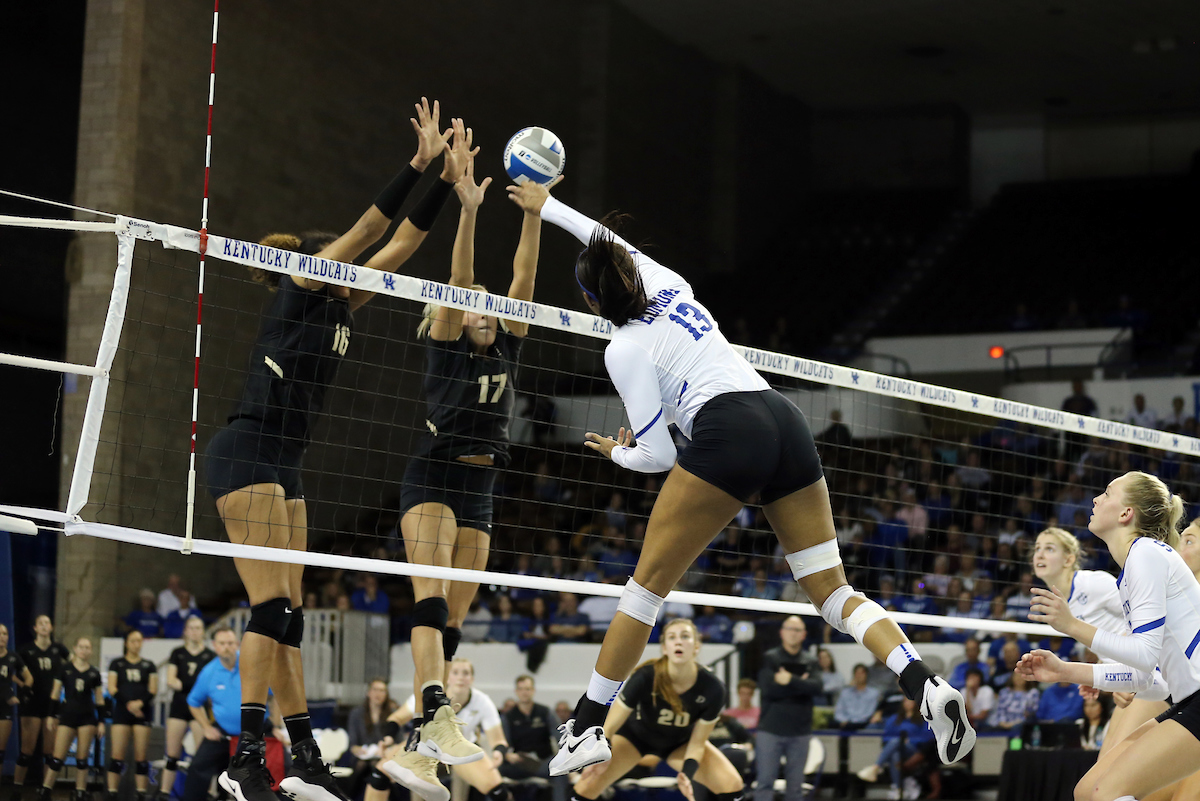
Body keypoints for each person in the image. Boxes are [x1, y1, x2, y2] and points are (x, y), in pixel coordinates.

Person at [506, 181, 974, 776]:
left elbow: (655, 456)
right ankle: (925, 683)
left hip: (727, 429)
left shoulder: (622, 349)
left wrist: (617, 455)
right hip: (783, 418)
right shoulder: (671, 284)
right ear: (630, 272)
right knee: (832, 591)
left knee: (644, 590)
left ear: (592, 303)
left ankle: (588, 724)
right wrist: (545, 206)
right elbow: (607, 241)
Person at [202, 99, 464, 801]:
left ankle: (307, 756)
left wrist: (448, 179)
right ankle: (245, 758)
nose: (360, 269)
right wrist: (416, 162)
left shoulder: (345, 305)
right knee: (268, 611)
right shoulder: (304, 284)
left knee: (286, 614)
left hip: (285, 464)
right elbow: (374, 226)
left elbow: (401, 246)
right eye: (346, 261)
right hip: (247, 448)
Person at [398, 139, 545, 775]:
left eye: (491, 306)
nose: (486, 307)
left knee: (454, 618)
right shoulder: (448, 338)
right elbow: (462, 281)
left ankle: (422, 746)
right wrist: (470, 210)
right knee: (430, 601)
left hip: (484, 486)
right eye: (474, 304)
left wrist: (534, 214)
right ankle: (433, 719)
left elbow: (523, 282)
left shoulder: (508, 346)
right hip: (435, 472)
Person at [1018, 471, 1200, 801]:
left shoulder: (1146, 553)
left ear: (1125, 513)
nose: (1095, 499)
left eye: (1107, 492)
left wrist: (1072, 626)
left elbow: (1143, 655)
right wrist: (1065, 671)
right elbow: (1149, 679)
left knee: (1108, 792)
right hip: (1185, 699)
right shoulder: (1131, 570)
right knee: (1087, 790)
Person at [569, 620, 744, 801]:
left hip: (679, 743)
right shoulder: (645, 676)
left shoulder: (713, 688)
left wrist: (687, 774)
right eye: (672, 637)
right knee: (586, 784)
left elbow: (697, 743)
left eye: (685, 637)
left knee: (732, 784)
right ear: (665, 648)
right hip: (634, 738)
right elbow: (610, 726)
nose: (678, 642)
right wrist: (600, 755)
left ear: (696, 647)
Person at [1031, 525, 1169, 754]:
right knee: (1106, 764)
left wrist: (1123, 669)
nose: (1040, 554)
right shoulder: (1060, 604)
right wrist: (1101, 674)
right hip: (1130, 675)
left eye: (1049, 548)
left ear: (1069, 559)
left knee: (1110, 767)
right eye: (1037, 548)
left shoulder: (1092, 583)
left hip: (1153, 669)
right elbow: (1109, 642)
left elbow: (1147, 622)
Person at [374, 659, 510, 801]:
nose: (460, 678)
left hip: (462, 755)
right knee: (378, 776)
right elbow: (397, 718)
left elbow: (497, 738)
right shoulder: (432, 695)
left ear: (472, 679)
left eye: (465, 673)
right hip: (429, 751)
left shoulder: (482, 701)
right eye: (455, 672)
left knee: (499, 792)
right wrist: (387, 737)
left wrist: (498, 751)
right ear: (447, 677)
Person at [188, 628, 283, 801]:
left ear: (238, 645)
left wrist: (276, 725)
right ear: (215, 646)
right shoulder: (209, 672)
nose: (226, 647)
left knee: (280, 767)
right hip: (223, 733)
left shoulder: (253, 665)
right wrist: (206, 727)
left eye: (230, 643)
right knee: (197, 767)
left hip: (257, 731)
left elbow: (275, 695)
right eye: (222, 644)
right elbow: (193, 702)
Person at [754, 616, 821, 801]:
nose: (793, 633)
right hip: (771, 729)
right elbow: (769, 690)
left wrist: (790, 680)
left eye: (797, 630)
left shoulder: (810, 660)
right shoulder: (771, 658)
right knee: (765, 783)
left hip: (800, 731)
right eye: (790, 629)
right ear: (782, 632)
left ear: (804, 634)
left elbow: (817, 688)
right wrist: (801, 685)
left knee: (795, 787)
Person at [38, 637, 104, 801]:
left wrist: (101, 721)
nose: (84, 650)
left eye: (87, 647)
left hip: (87, 718)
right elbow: (55, 693)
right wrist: (51, 715)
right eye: (81, 647)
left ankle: (80, 791)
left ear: (91, 651)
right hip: (67, 716)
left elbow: (100, 699)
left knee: (82, 759)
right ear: (75, 649)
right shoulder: (64, 668)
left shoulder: (94, 673)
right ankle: (46, 790)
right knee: (57, 758)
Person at [14, 616, 70, 796]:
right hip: (32, 703)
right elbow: (10, 670)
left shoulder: (58, 649)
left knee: (49, 751)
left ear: (52, 627)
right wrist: (22, 686)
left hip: (51, 704)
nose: (45, 626)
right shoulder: (26, 650)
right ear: (35, 628)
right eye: (41, 623)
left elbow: (74, 666)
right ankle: (17, 788)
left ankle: (46, 789)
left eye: (47, 623)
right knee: (26, 750)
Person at [162, 617, 216, 799]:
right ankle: (164, 793)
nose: (194, 631)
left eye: (198, 628)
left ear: (203, 631)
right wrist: (195, 686)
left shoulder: (209, 655)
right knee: (172, 756)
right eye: (191, 628)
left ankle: (208, 793)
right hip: (179, 707)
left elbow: (211, 685)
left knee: (204, 757)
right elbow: (171, 680)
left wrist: (184, 684)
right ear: (185, 631)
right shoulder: (177, 653)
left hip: (199, 709)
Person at [498, 675, 568, 801]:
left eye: (528, 689)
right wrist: (508, 755)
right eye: (521, 689)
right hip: (520, 763)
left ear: (533, 690)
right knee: (493, 773)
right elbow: (503, 743)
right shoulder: (508, 717)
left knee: (561, 771)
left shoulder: (545, 712)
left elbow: (561, 738)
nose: (525, 692)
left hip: (543, 761)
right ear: (516, 691)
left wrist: (565, 756)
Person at [106, 630, 157, 801]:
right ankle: (112, 793)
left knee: (141, 758)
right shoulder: (117, 664)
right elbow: (112, 688)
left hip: (142, 713)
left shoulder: (149, 665)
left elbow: (153, 690)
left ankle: (141, 793)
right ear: (126, 643)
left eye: (139, 640)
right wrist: (129, 704)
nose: (137, 644)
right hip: (122, 711)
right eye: (133, 640)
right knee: (117, 757)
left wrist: (139, 704)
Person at [856, 699, 933, 800]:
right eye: (905, 701)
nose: (908, 704)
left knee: (896, 741)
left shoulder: (923, 719)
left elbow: (927, 737)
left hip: (914, 750)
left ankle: (876, 767)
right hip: (895, 748)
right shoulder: (894, 718)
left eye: (910, 701)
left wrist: (910, 740)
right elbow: (886, 736)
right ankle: (898, 789)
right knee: (895, 753)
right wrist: (899, 741)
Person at [347, 678, 397, 795]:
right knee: (362, 765)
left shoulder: (392, 714)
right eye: (375, 690)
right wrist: (356, 749)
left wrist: (387, 749)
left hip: (384, 755)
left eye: (382, 691)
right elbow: (352, 743)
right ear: (368, 692)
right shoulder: (357, 713)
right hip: (362, 756)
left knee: (378, 765)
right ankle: (348, 796)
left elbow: (397, 740)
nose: (378, 694)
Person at [0, 623, 32, 785]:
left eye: (5, 633)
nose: (2, 636)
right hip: (5, 699)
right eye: (0, 633)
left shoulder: (13, 657)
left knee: (0, 752)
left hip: (4, 708)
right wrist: (8, 694)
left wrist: (24, 690)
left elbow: (29, 678)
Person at [834, 665, 882, 730]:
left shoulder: (873, 693)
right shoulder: (845, 692)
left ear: (866, 675)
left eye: (862, 673)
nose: (859, 676)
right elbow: (839, 711)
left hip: (863, 722)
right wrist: (844, 720)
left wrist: (854, 721)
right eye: (857, 673)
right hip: (845, 722)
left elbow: (870, 712)